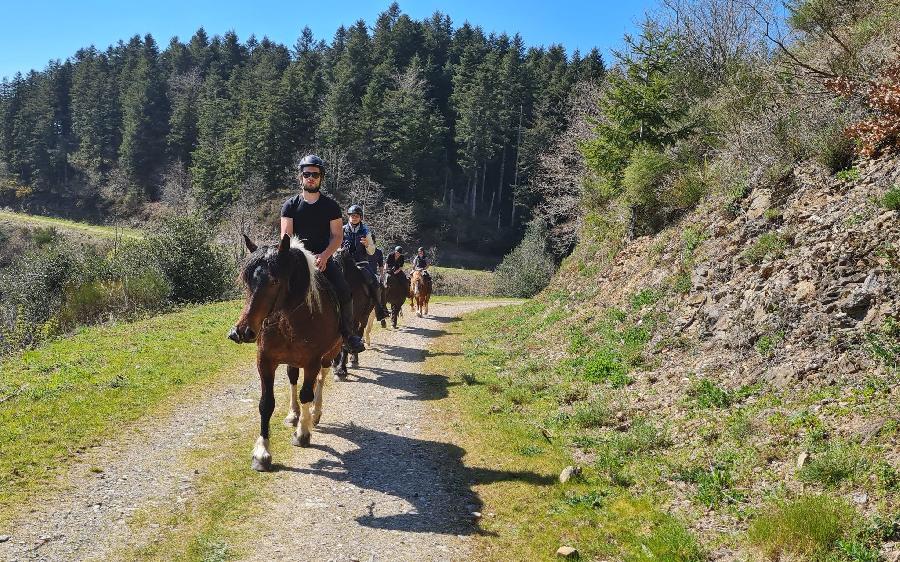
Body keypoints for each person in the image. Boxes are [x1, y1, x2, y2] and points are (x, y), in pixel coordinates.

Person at [280, 154, 365, 354]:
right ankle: (258, 329)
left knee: (344, 290)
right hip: (297, 261)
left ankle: (348, 334)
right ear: (300, 177)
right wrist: (302, 259)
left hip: (324, 259)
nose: (311, 177)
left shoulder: (331, 206)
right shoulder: (289, 205)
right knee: (271, 286)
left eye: (315, 174)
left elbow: (336, 236)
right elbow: (286, 238)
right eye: (307, 174)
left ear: (321, 178)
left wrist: (325, 255)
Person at [342, 204, 389, 323]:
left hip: (361, 262)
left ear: (360, 218)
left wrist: (367, 244)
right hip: (344, 261)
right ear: (349, 217)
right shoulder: (342, 229)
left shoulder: (366, 231)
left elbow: (372, 250)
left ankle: (380, 309)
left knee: (375, 282)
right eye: (352, 216)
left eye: (356, 216)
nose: (354, 218)